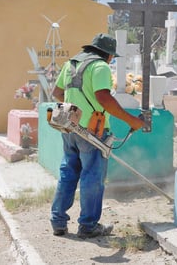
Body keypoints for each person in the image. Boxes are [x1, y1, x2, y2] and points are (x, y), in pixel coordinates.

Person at [50, 33, 145, 239]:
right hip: (93, 132)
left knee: (68, 172)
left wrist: (77, 108)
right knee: (92, 177)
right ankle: (88, 226)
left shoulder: (71, 64)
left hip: (70, 127)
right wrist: (131, 120)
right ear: (108, 55)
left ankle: (58, 221)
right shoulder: (100, 66)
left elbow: (57, 92)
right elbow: (104, 98)